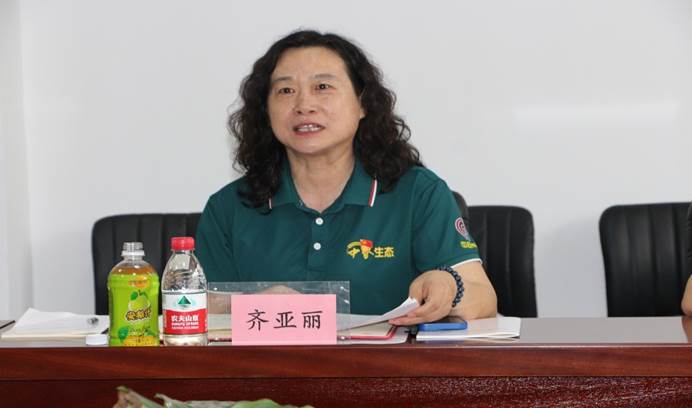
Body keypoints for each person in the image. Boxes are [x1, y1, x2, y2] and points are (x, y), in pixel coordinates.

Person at [196, 30, 497, 324]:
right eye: (285, 91)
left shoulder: (418, 192)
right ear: (265, 110)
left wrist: (450, 287)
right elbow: (199, 308)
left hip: (388, 359)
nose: (304, 105)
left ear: (363, 104)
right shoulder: (230, 207)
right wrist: (247, 305)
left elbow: (484, 298)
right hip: (264, 359)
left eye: (322, 87)